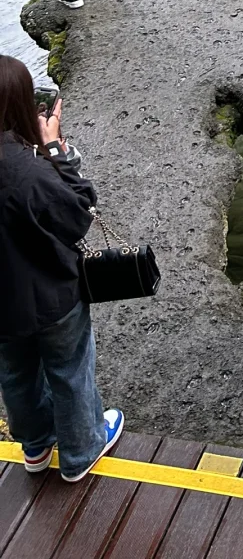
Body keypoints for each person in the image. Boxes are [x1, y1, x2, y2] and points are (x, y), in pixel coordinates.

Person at [0, 55, 124, 482]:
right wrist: (55, 150)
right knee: (69, 369)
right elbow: (77, 215)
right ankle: (80, 452)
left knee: (15, 373)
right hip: (52, 295)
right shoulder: (29, 170)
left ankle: (34, 446)